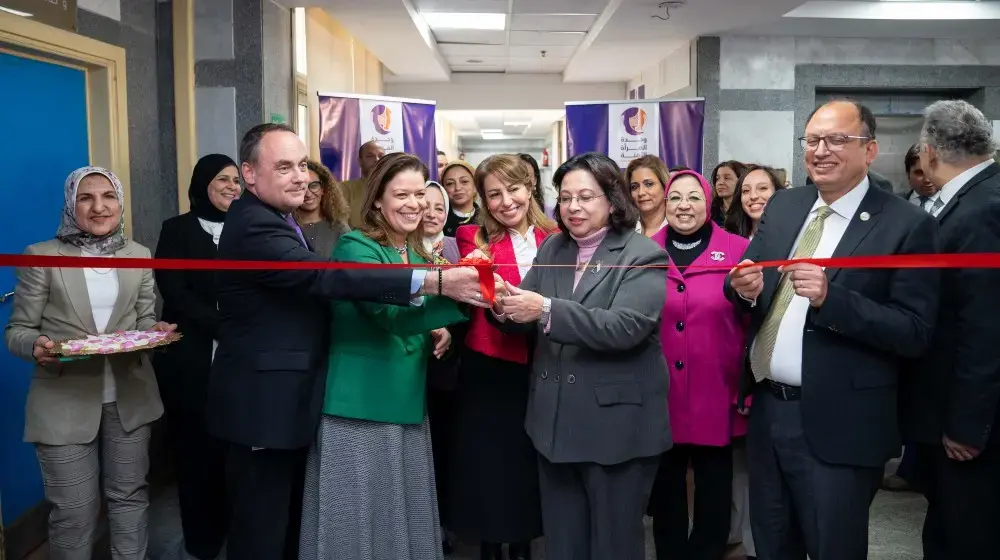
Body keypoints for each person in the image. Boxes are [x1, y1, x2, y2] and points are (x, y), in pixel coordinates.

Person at [206, 123, 490, 560]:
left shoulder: (274, 218)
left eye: (302, 165)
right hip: (264, 401)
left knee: (280, 523)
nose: (300, 177)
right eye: (284, 167)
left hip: (290, 394)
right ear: (249, 173)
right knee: (261, 527)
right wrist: (436, 282)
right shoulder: (256, 225)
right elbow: (324, 278)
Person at [726, 100, 940, 560]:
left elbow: (916, 331)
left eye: (837, 140)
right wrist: (743, 289)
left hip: (841, 424)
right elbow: (756, 288)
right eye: (813, 140)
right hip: (768, 412)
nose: (821, 151)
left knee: (832, 546)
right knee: (772, 544)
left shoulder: (906, 226)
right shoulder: (786, 206)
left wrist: (832, 299)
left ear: (870, 150)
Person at [491, 152, 670, 560]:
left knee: (613, 546)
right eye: (566, 196)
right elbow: (527, 308)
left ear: (612, 199)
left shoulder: (641, 254)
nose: (573, 207)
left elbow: (625, 326)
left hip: (615, 429)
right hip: (553, 426)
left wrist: (547, 310)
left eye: (586, 197)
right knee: (563, 544)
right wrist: (503, 304)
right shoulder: (555, 245)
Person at [299, 153, 472, 560]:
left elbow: (412, 311)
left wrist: (437, 323)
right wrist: (452, 293)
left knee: (400, 517)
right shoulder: (356, 245)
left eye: (420, 195)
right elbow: (389, 314)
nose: (414, 204)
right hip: (360, 403)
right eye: (402, 195)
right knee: (354, 521)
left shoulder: (412, 250)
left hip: (405, 398)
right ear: (377, 199)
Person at [5, 166, 175, 560]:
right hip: (62, 400)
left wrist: (156, 332)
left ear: (119, 201)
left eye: (108, 196)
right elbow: (17, 330)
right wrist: (37, 345)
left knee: (130, 498)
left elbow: (144, 320)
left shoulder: (139, 254)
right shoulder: (41, 256)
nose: (99, 207)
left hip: (131, 397)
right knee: (75, 514)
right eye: (86, 197)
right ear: (71, 204)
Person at [900, 100, 1000, 560]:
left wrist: (965, 425)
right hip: (945, 410)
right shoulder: (968, 199)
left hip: (969, 423)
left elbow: (985, 328)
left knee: (966, 535)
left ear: (930, 151)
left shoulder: (982, 209)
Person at [450, 154, 557, 560]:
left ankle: (526, 545)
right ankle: (492, 547)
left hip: (547, 361)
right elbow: (489, 293)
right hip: (492, 364)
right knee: (492, 463)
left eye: (512, 189)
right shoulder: (472, 238)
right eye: (493, 194)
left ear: (529, 187)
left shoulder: (558, 237)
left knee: (532, 461)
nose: (505, 201)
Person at [646, 170, 750, 560]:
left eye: (693, 197)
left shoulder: (738, 249)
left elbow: (752, 317)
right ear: (664, 204)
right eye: (675, 197)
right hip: (661, 391)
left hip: (716, 389)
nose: (683, 205)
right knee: (667, 488)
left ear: (708, 202)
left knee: (714, 487)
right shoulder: (644, 251)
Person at [153, 154, 241, 560]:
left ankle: (234, 533)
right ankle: (201, 541)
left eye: (237, 180)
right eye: (222, 179)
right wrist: (220, 323)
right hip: (190, 356)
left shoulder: (249, 230)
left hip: (239, 358)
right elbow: (174, 290)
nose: (231, 186)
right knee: (193, 452)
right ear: (202, 182)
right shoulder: (177, 230)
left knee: (234, 453)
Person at [421, 179, 462, 554]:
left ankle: (445, 525)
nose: (432, 213)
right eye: (426, 204)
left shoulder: (457, 248)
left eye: (439, 207)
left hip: (447, 369)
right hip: (408, 364)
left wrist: (448, 325)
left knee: (444, 449)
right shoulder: (398, 249)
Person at [294, 159, 350, 258]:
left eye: (314, 185)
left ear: (323, 189)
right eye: (302, 187)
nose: (308, 194)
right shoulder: (287, 227)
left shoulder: (340, 229)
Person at [725, 164, 787, 239]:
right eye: (746, 190)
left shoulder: (793, 238)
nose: (753, 196)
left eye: (762, 188)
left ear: (777, 192)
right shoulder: (729, 239)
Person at [341, 140, 384, 228]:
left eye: (381, 156)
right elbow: (341, 225)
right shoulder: (345, 189)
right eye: (370, 156)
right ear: (360, 161)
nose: (377, 160)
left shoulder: (394, 189)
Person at [627, 155, 669, 237]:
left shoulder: (679, 226)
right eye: (634, 187)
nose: (641, 193)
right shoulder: (624, 230)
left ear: (664, 186)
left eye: (649, 184)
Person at [441, 160, 481, 236]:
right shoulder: (438, 219)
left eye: (464, 181)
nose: (458, 188)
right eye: (450, 183)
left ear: (475, 186)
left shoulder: (487, 220)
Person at [709, 161, 747, 226]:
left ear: (741, 180)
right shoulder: (710, 212)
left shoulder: (748, 211)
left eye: (727, 178)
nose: (720, 183)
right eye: (717, 179)